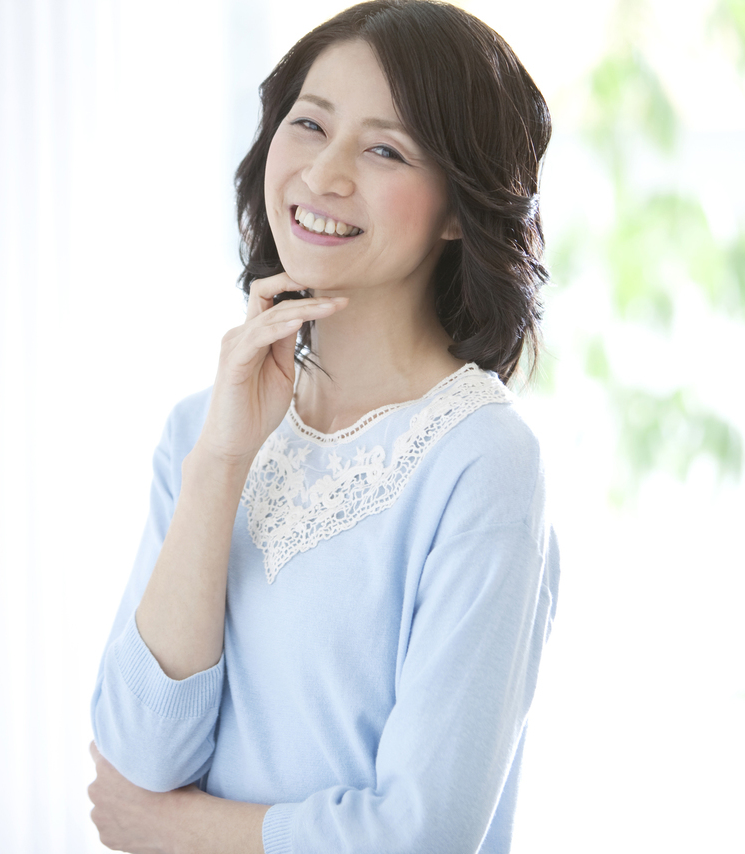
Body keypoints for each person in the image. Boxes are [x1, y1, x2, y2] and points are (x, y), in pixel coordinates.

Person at [87, 2, 559, 851]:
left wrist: (173, 829)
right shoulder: (201, 430)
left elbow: (420, 834)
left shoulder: (482, 461)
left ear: (459, 208)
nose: (325, 173)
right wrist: (221, 463)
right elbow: (141, 752)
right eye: (309, 124)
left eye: (385, 150)